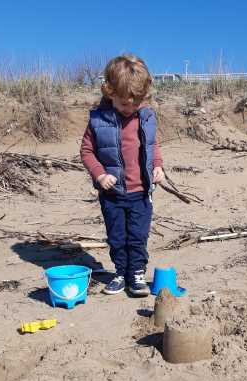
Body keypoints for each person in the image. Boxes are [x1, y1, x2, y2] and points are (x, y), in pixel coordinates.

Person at [80, 54, 164, 296]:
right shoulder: (98, 120)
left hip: (140, 192)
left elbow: (152, 145)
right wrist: (99, 175)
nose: (130, 109)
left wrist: (157, 166)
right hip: (112, 194)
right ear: (110, 93)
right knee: (117, 236)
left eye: (135, 103)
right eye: (124, 104)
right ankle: (119, 273)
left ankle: (136, 274)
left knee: (138, 236)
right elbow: (86, 151)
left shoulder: (146, 116)